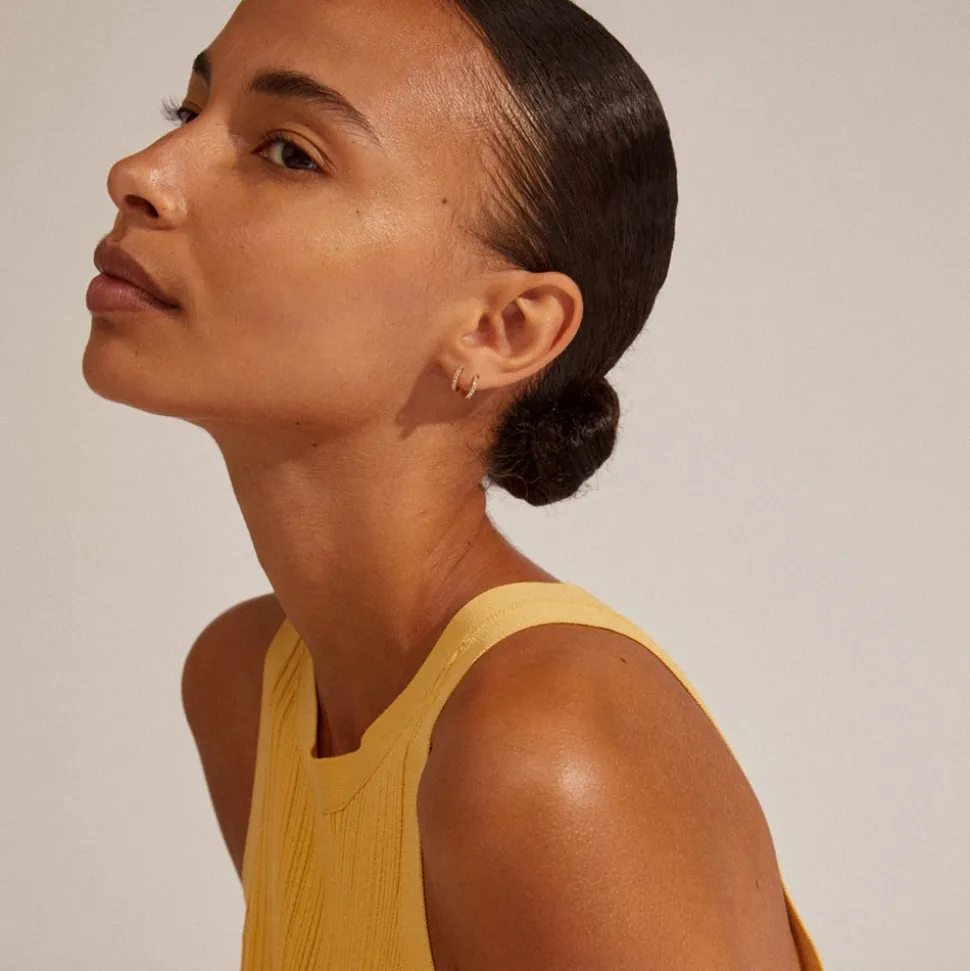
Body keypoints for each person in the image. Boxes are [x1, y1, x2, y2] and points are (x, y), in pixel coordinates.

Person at [83, 0, 824, 968]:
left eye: (290, 153)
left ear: (502, 329)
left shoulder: (543, 750)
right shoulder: (248, 688)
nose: (139, 172)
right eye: (187, 112)